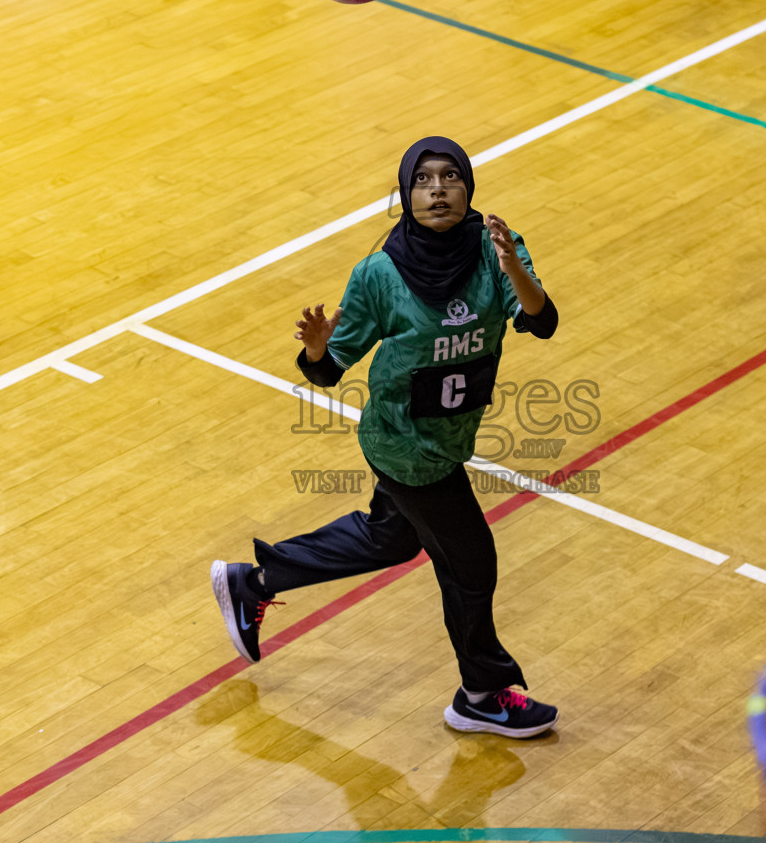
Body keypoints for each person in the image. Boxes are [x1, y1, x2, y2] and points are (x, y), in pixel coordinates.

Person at [211, 136, 560, 738]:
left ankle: (255, 581)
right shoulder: (380, 273)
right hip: (404, 443)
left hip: (450, 436)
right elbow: (328, 369)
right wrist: (317, 350)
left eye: (450, 176)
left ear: (468, 188)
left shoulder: (494, 248)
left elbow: (542, 320)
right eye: (423, 180)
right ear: (405, 195)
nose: (438, 189)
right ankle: (481, 693)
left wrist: (512, 268)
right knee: (471, 564)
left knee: (391, 540)